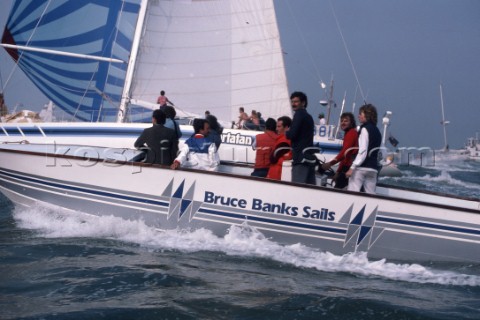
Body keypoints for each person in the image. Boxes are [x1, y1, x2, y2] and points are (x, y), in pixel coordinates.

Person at [346, 104, 382, 194]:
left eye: (360, 114)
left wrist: (352, 167)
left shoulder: (365, 129)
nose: (358, 116)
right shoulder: (377, 131)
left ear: (367, 115)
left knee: (353, 192)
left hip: (362, 167)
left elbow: (363, 150)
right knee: (370, 193)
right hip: (373, 169)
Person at [285, 91, 316, 185]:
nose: (293, 104)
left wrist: (287, 131)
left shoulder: (299, 114)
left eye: (296, 102)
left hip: (300, 158)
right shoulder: (309, 116)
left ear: (303, 103)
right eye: (292, 102)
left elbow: (292, 134)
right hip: (309, 158)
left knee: (297, 187)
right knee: (310, 189)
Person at [321, 112, 358, 188]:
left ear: (351, 123)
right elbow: (344, 156)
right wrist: (338, 172)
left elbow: (344, 152)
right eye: (342, 121)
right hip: (345, 167)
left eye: (346, 121)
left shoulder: (351, 133)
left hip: (348, 168)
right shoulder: (349, 133)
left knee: (338, 190)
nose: (343, 123)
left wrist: (330, 163)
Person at [267, 116, 292, 180]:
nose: (276, 129)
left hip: (277, 174)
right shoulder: (283, 140)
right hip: (277, 172)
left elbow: (272, 159)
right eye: (276, 126)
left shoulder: (284, 141)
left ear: (286, 128)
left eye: (279, 126)